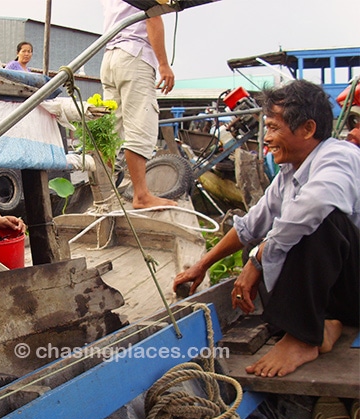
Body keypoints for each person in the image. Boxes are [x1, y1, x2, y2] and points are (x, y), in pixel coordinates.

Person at [173, 79, 360, 378]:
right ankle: (326, 323)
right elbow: (250, 225)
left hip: (356, 286)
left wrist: (257, 260)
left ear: (308, 129)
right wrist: (203, 265)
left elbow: (312, 209)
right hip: (337, 297)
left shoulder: (340, 157)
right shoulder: (289, 171)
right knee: (261, 237)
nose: (267, 138)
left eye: (274, 128)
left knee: (318, 221)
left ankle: (302, 339)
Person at [100, 0, 177, 209]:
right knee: (139, 125)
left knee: (110, 131)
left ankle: (105, 195)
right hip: (134, 54)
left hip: (109, 56)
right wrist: (163, 64)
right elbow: (153, 16)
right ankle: (141, 195)